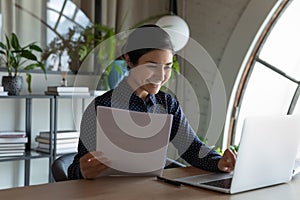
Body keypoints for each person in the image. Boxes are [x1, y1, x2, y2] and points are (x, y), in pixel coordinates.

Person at [68, 24, 236, 180]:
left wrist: (219, 162)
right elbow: (74, 171)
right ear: (129, 60)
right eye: (151, 66)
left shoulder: (168, 104)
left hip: (152, 192)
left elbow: (192, 148)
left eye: (167, 67)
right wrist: (83, 171)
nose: (161, 76)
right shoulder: (100, 107)